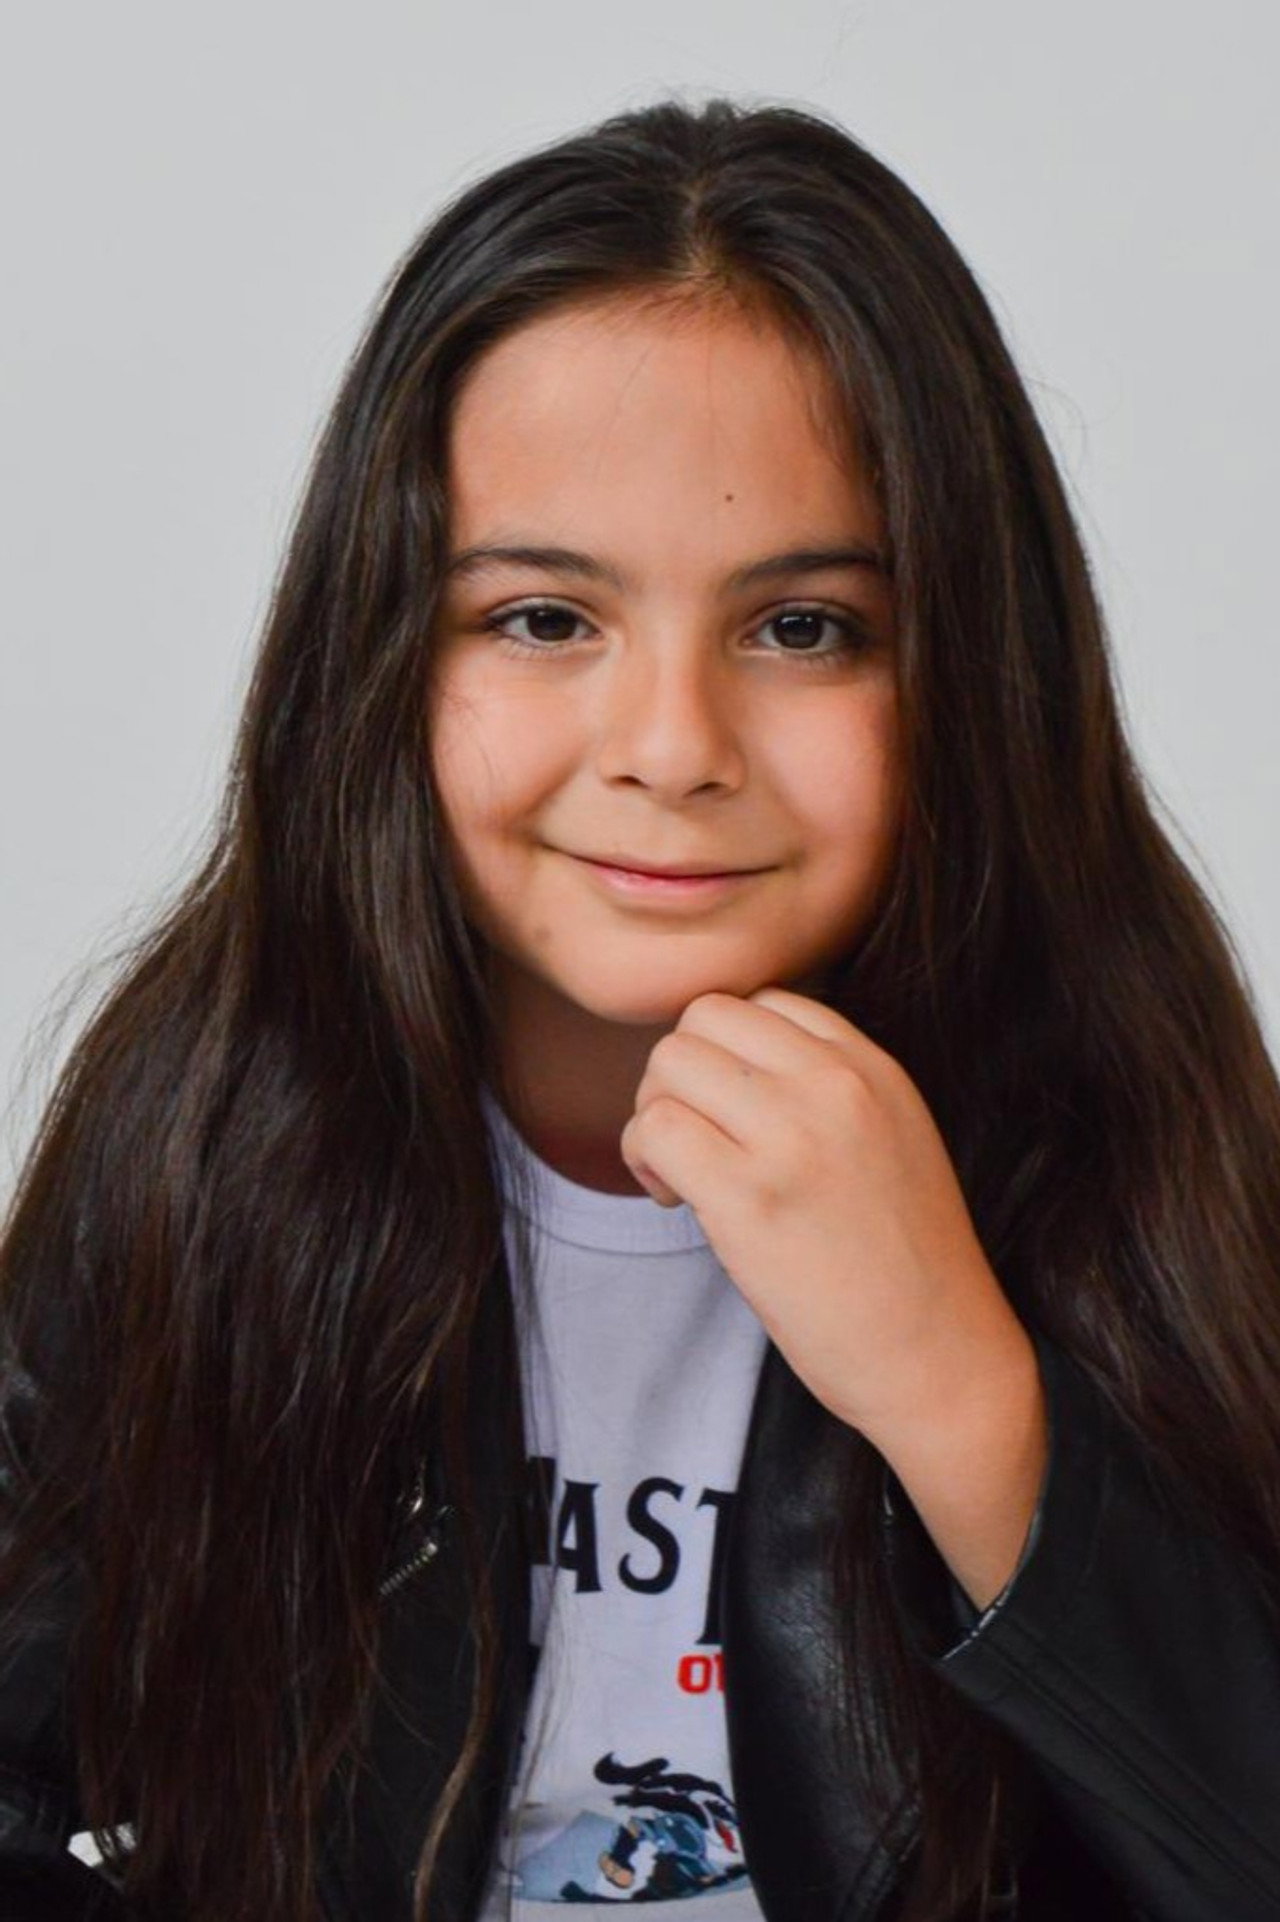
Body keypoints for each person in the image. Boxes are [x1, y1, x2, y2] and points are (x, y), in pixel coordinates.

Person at [1, 94, 1279, 1922]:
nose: (673, 748)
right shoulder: (209, 1123)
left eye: (804, 626)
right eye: (543, 618)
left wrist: (967, 1396)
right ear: (382, 653)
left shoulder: (1138, 1128)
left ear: (976, 666)